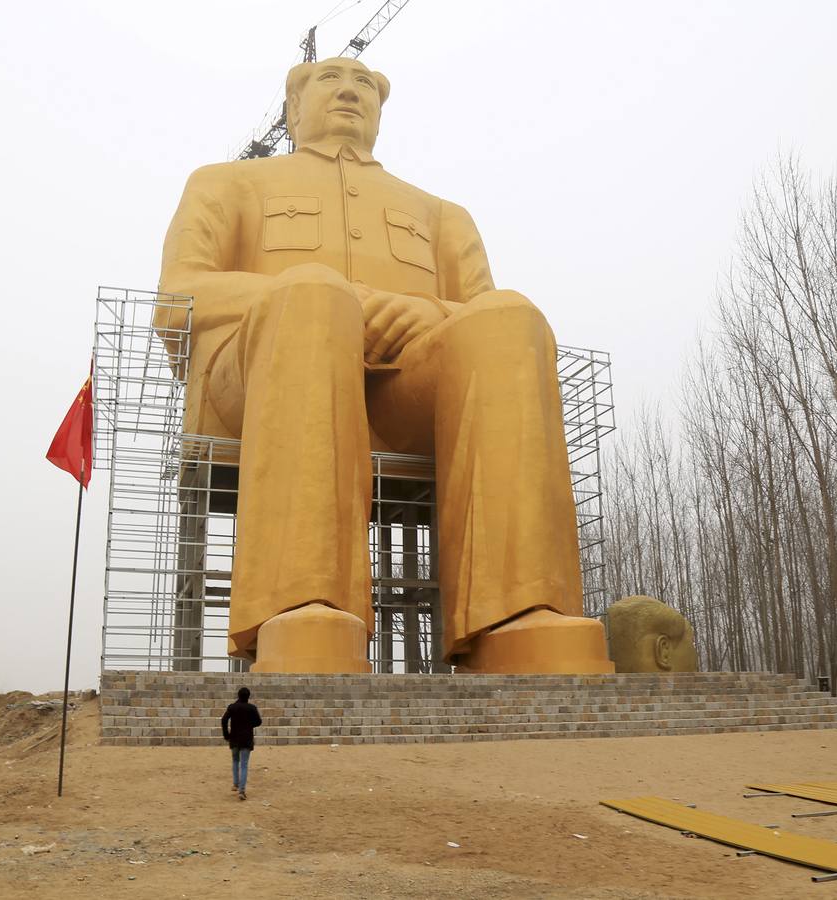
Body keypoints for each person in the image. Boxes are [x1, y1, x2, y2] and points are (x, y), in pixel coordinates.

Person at [155, 56, 613, 676]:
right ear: (292, 107)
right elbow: (177, 299)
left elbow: (477, 313)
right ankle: (301, 601)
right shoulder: (228, 184)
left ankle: (516, 613)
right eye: (329, 80)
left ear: (381, 111)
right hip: (260, 382)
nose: (349, 90)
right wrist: (319, 296)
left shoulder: (440, 214)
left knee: (509, 318)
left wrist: (430, 310)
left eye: (365, 85)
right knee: (316, 295)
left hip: (398, 393)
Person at [221, 686, 262, 799]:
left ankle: (235, 783)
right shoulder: (252, 708)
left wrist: (226, 734)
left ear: (238, 696)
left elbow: (224, 720)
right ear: (248, 696)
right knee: (244, 764)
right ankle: (242, 791)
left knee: (235, 761)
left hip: (234, 738)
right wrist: (249, 725)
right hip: (246, 739)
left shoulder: (232, 707)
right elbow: (258, 722)